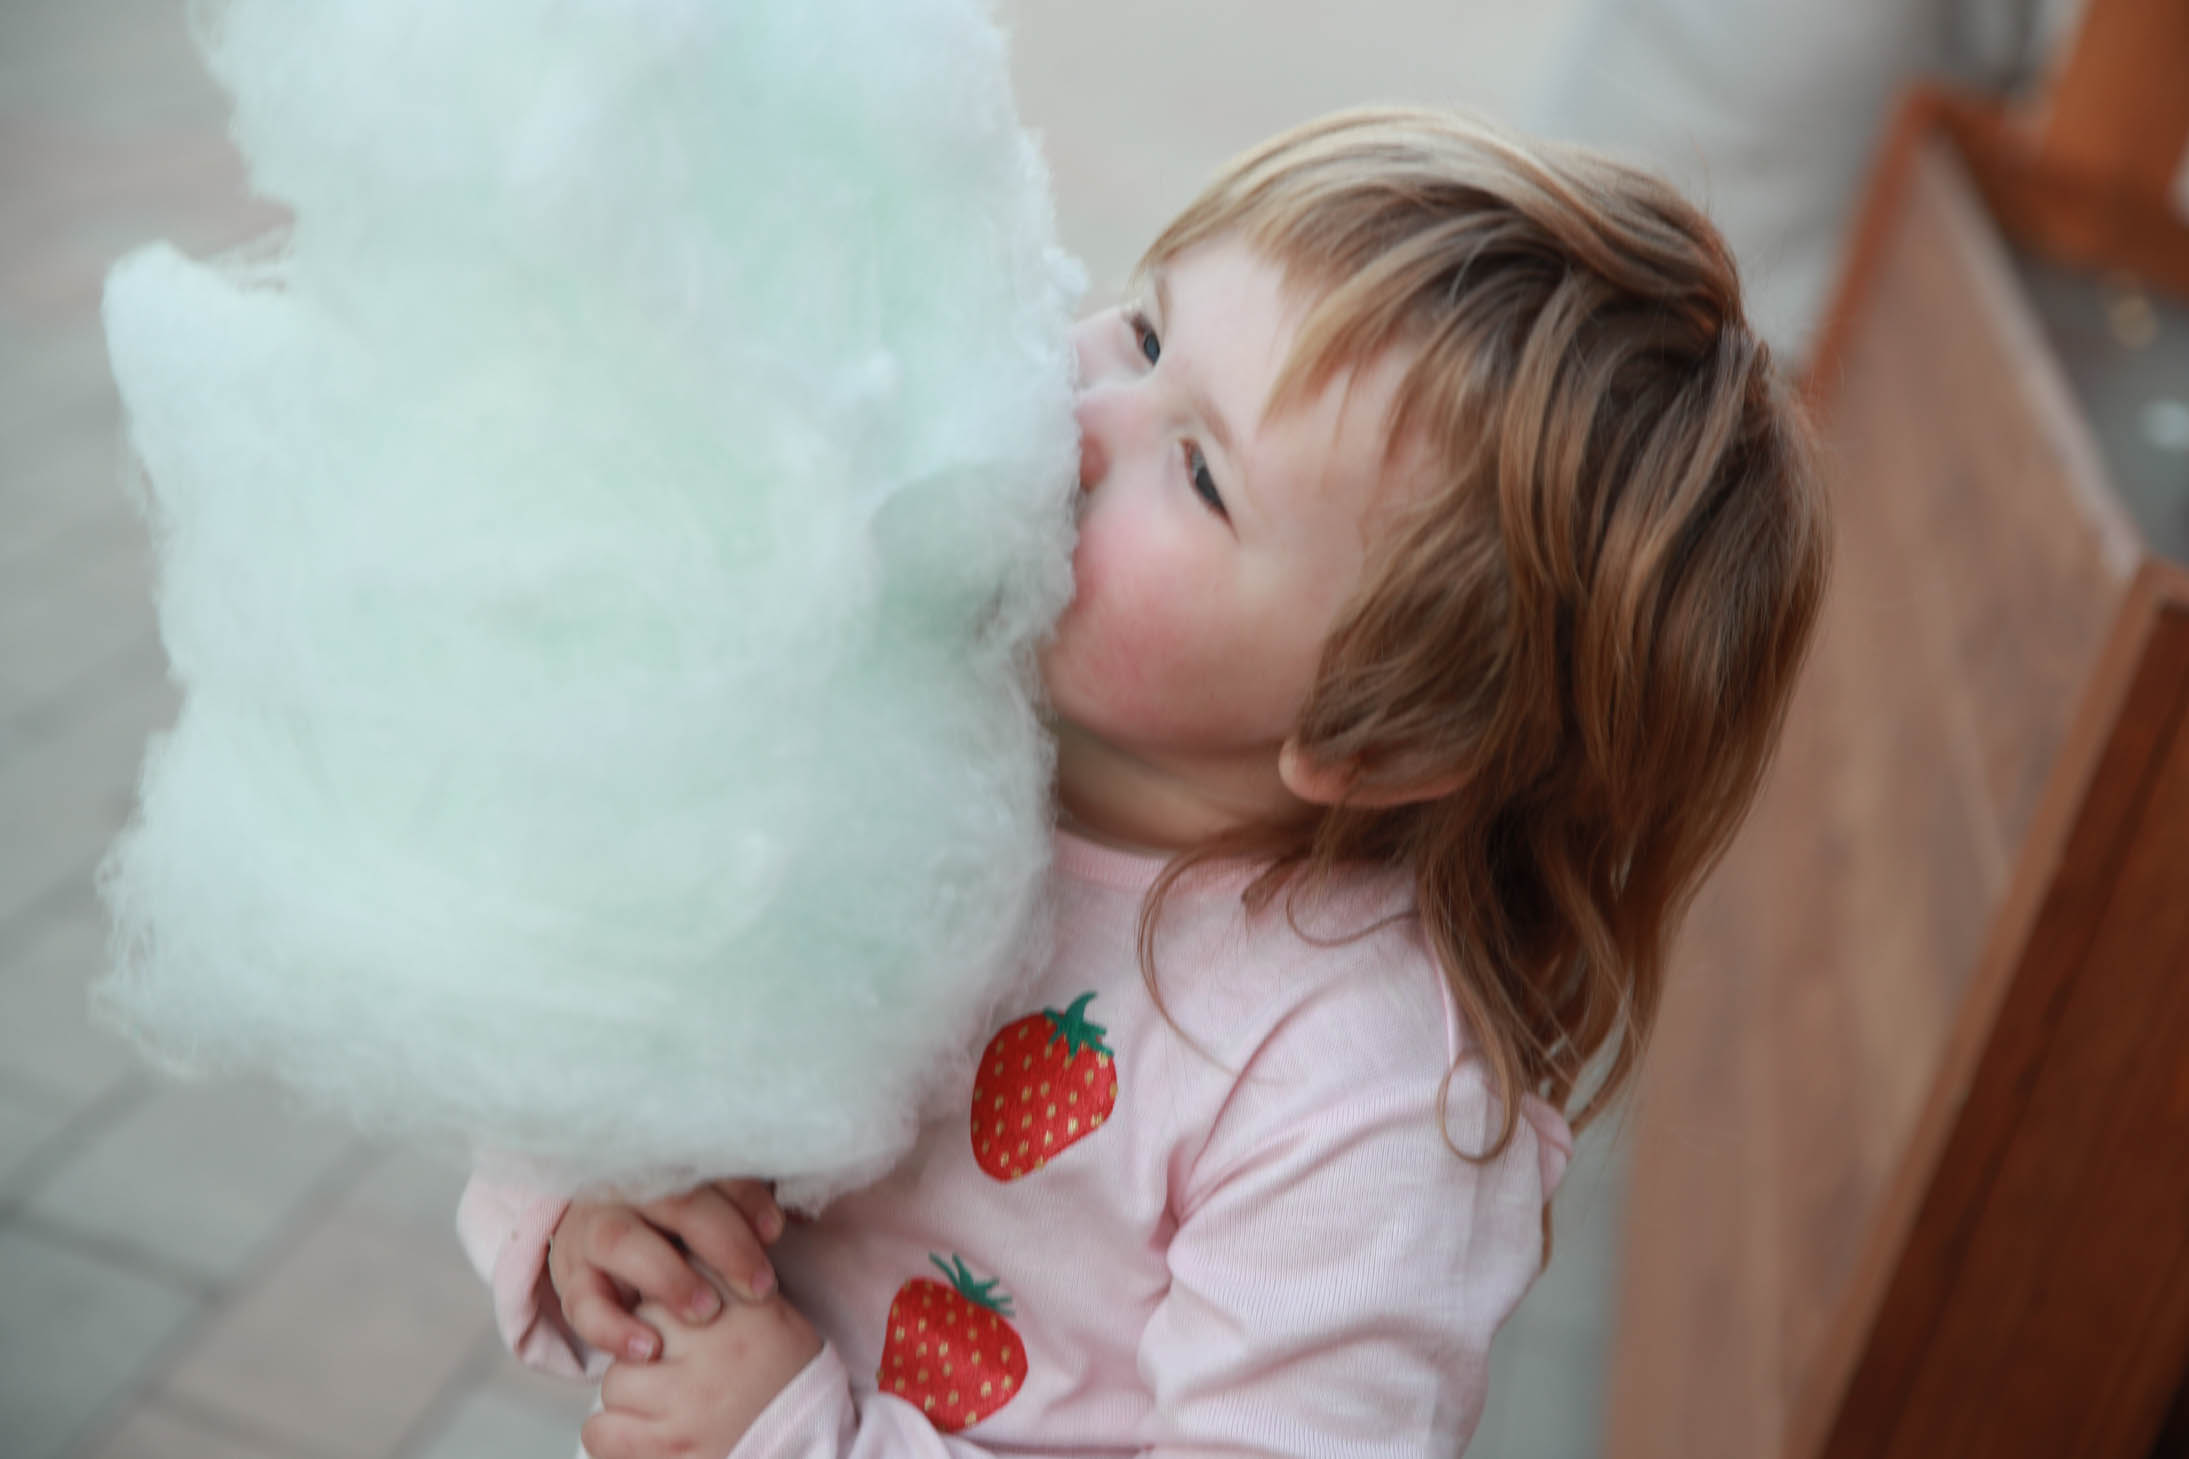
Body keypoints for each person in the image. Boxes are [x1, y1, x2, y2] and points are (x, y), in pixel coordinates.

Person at [457, 107, 1829, 1458]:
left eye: (1200, 473)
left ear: (1376, 739)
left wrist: (800, 1437)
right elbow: (593, 983)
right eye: (1147, 333)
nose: (1078, 416)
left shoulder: (1359, 1092)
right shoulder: (900, 701)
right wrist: (587, 1199)